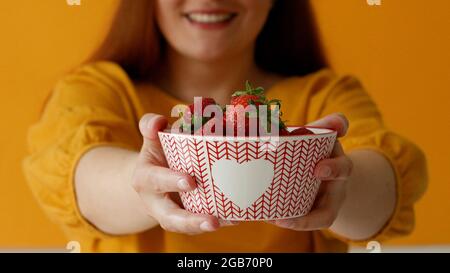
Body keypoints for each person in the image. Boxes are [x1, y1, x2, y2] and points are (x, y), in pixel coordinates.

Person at [23, 0, 427, 252]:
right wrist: (142, 180)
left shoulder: (325, 94)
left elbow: (387, 182)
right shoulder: (99, 89)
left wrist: (338, 185)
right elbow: (79, 175)